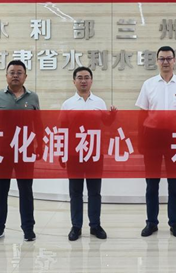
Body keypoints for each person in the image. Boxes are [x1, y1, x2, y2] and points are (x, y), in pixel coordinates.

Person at [135, 46, 176, 238]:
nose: (165, 62)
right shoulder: (148, 84)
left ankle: (175, 223)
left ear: (174, 61)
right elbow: (142, 115)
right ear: (157, 61)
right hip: (152, 137)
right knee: (152, 184)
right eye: (162, 58)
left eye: (169, 58)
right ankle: (151, 222)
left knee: (175, 183)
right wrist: (140, 141)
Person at [0, 60, 41, 243]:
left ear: (25, 76)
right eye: (12, 72)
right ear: (6, 75)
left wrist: (40, 147)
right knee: (1, 192)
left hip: (25, 152)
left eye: (19, 72)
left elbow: (38, 124)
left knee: (26, 191)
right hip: (1, 152)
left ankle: (28, 229)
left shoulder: (33, 98)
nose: (15, 75)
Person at [60, 66, 116, 241]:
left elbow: (106, 123)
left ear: (91, 81)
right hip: (74, 154)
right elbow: (62, 129)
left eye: (86, 77)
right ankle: (76, 226)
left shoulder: (99, 102)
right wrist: (61, 152)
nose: (83, 81)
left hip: (94, 153)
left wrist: (112, 116)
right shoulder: (67, 104)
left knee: (94, 192)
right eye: (80, 77)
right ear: (74, 81)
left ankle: (95, 225)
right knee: (75, 192)